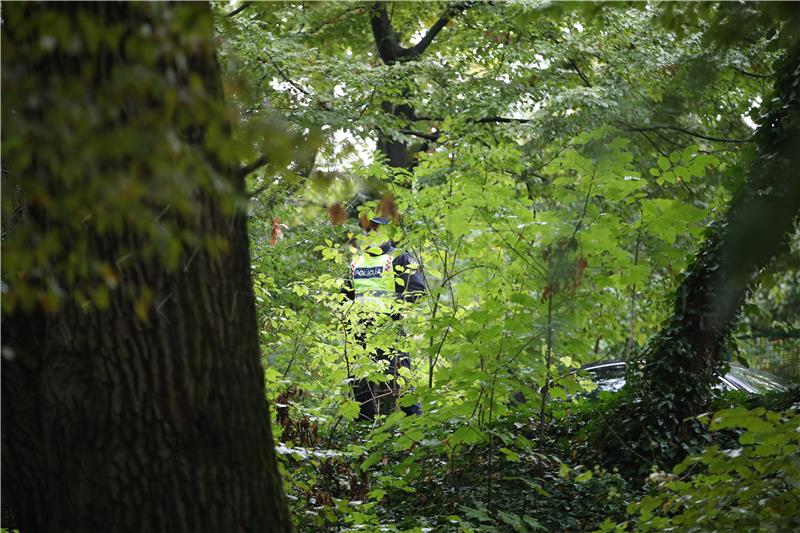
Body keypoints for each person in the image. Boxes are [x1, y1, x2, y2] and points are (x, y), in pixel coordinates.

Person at [342, 216, 425, 420]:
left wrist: (393, 312)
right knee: (361, 387)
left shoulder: (400, 257)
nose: (371, 233)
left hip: (390, 331)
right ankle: (364, 433)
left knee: (402, 382)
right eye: (368, 230)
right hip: (360, 332)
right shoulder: (357, 262)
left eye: (376, 229)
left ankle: (418, 428)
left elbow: (417, 290)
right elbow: (344, 295)